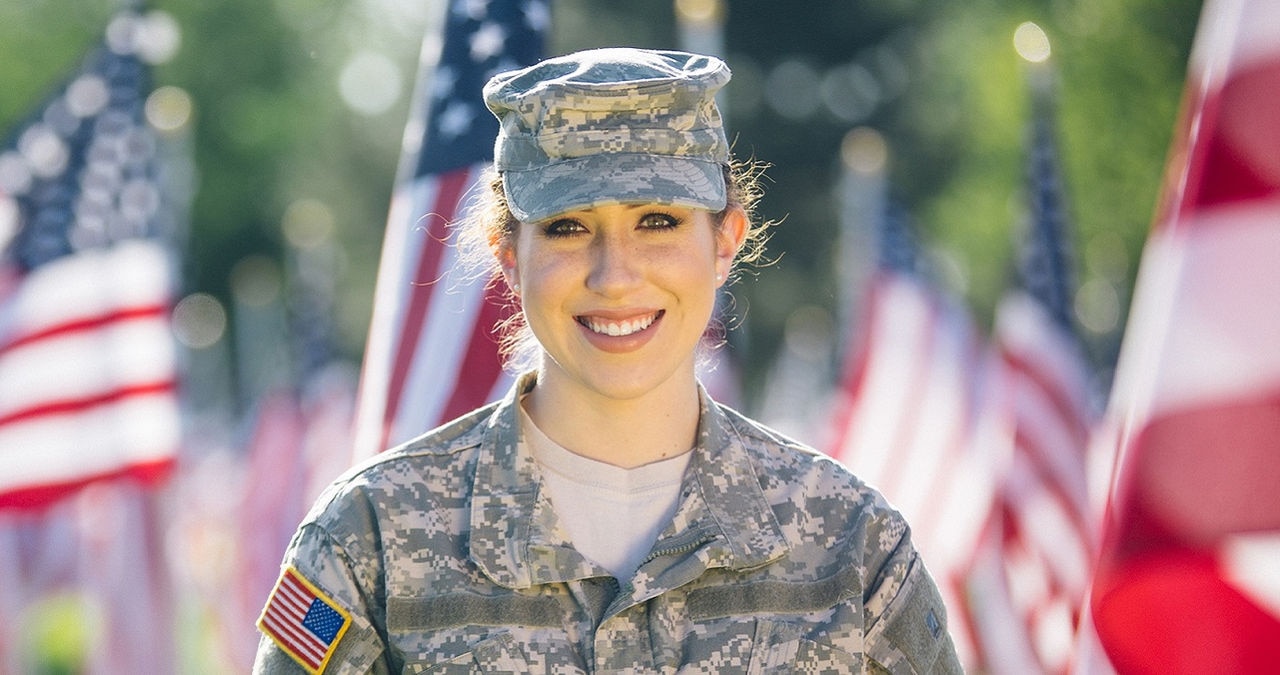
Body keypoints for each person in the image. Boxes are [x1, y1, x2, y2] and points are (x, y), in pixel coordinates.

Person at [253, 47, 963, 673]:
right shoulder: (367, 538)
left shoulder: (850, 546)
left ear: (725, 241)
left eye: (657, 221)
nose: (615, 276)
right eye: (567, 227)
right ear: (509, 255)